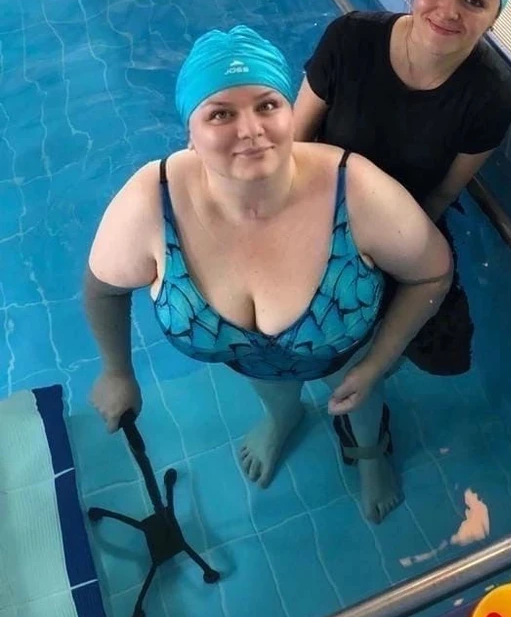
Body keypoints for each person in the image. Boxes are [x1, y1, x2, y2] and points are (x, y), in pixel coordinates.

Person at [83, 26, 452, 524]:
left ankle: (370, 453)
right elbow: (103, 290)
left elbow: (431, 275)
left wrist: (376, 364)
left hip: (346, 353)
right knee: (271, 386)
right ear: (190, 133)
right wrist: (117, 371)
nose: (251, 129)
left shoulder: (355, 189)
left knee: (360, 400)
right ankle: (284, 417)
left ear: (290, 112)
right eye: (221, 114)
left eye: (267, 105)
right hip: (249, 363)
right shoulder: (153, 200)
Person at [294, 0, 511, 377]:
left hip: (404, 216)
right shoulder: (350, 39)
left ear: (495, 16)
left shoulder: (491, 95)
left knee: (443, 355)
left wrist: (387, 258)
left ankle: (369, 380)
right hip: (319, 199)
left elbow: (440, 194)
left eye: (474, 0)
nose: (448, 11)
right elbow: (295, 143)